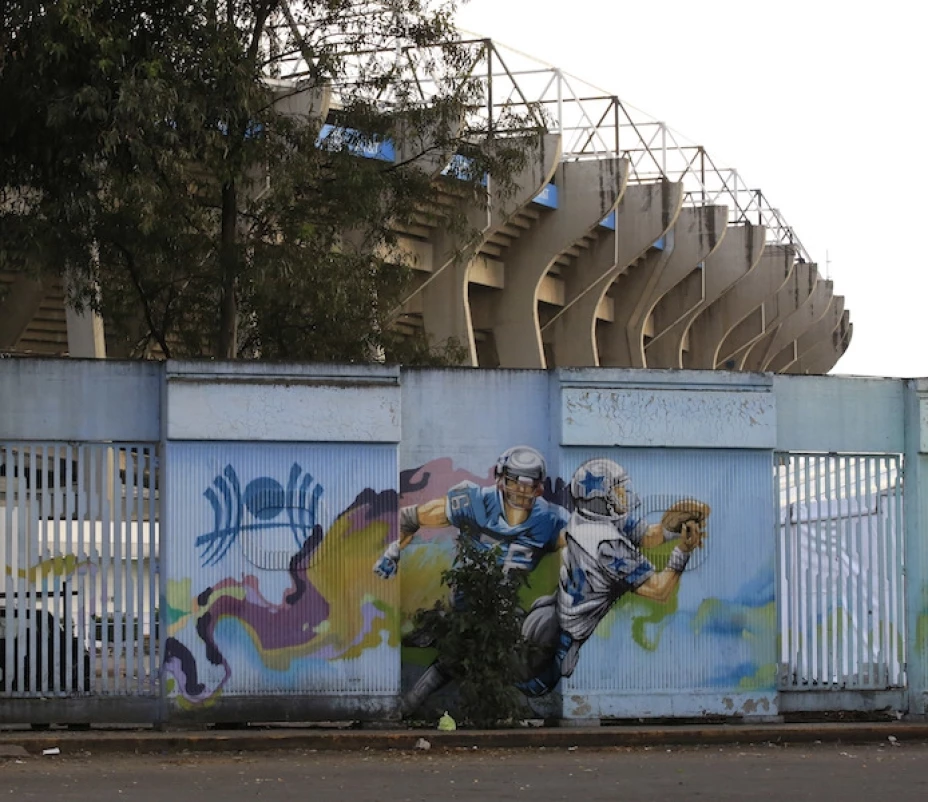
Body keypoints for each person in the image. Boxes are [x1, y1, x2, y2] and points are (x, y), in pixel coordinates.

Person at [373, 445, 569, 712]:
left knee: (509, 651)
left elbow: (583, 544)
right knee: (468, 646)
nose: (521, 490)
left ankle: (489, 701)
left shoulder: (548, 520)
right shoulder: (475, 502)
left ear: (539, 486)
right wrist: (393, 549)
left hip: (505, 605)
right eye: (515, 482)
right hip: (468, 597)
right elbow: (410, 517)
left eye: (529, 484)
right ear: (500, 478)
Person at [518, 457, 709, 697]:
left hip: (556, 608)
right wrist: (683, 551)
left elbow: (647, 537)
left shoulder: (585, 517)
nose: (624, 494)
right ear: (601, 499)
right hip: (568, 633)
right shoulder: (607, 546)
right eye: (617, 490)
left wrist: (670, 529)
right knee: (533, 686)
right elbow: (659, 591)